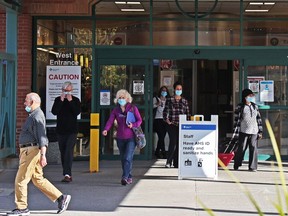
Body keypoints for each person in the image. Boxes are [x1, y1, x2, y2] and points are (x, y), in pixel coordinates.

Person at [7, 92, 71, 215]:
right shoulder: (33, 115)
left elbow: (42, 137)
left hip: (30, 151)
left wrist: (43, 155)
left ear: (33, 102)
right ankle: (61, 198)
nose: (24, 103)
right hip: (29, 150)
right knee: (38, 179)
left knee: (21, 180)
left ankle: (22, 208)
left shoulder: (36, 116)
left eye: (26, 101)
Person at [102, 89, 142, 186]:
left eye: (123, 98)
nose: (121, 99)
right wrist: (106, 129)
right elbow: (110, 120)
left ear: (127, 99)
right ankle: (129, 176)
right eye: (119, 98)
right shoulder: (116, 110)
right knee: (124, 158)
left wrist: (133, 125)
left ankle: (124, 177)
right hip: (120, 137)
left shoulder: (133, 108)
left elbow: (139, 120)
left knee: (128, 157)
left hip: (131, 137)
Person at [51, 81, 81, 182]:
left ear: (71, 91)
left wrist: (71, 101)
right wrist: (61, 100)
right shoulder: (58, 100)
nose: (67, 92)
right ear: (62, 91)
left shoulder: (76, 100)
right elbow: (55, 111)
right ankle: (66, 172)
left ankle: (67, 174)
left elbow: (77, 112)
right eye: (65, 91)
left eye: (68, 91)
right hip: (61, 130)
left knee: (68, 151)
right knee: (63, 152)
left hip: (72, 130)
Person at [232, 88, 263, 172]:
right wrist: (235, 132)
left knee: (253, 148)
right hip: (244, 131)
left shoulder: (254, 106)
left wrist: (260, 131)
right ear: (245, 97)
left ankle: (252, 167)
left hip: (254, 131)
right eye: (249, 96)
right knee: (241, 148)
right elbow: (236, 120)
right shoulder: (240, 106)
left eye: (252, 96)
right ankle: (237, 164)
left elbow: (259, 119)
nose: (251, 97)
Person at [163, 81, 190, 168]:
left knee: (179, 143)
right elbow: (165, 111)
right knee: (173, 142)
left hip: (181, 125)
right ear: (174, 90)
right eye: (177, 89)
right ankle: (169, 161)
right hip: (172, 124)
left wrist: (188, 123)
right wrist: (167, 120)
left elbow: (187, 113)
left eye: (180, 89)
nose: (179, 90)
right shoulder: (169, 100)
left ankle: (177, 162)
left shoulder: (184, 101)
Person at [153, 86, 170, 159]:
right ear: (160, 91)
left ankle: (157, 151)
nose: (164, 92)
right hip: (158, 119)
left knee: (162, 136)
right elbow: (151, 106)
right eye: (163, 90)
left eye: (165, 91)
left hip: (165, 119)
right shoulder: (156, 99)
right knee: (161, 136)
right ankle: (163, 152)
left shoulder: (168, 100)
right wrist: (157, 104)